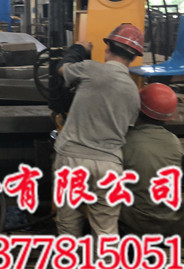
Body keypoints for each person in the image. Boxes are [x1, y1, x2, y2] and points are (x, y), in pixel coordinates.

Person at [54, 23, 144, 237]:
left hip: (72, 159)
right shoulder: (134, 92)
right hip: (109, 165)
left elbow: (61, 70)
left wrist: (78, 49)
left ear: (108, 47)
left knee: (68, 221)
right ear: (133, 58)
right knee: (105, 230)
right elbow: (127, 128)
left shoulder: (90, 68)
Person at [120, 83, 184, 236]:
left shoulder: (126, 142)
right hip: (173, 224)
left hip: (137, 226)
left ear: (137, 109)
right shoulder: (174, 141)